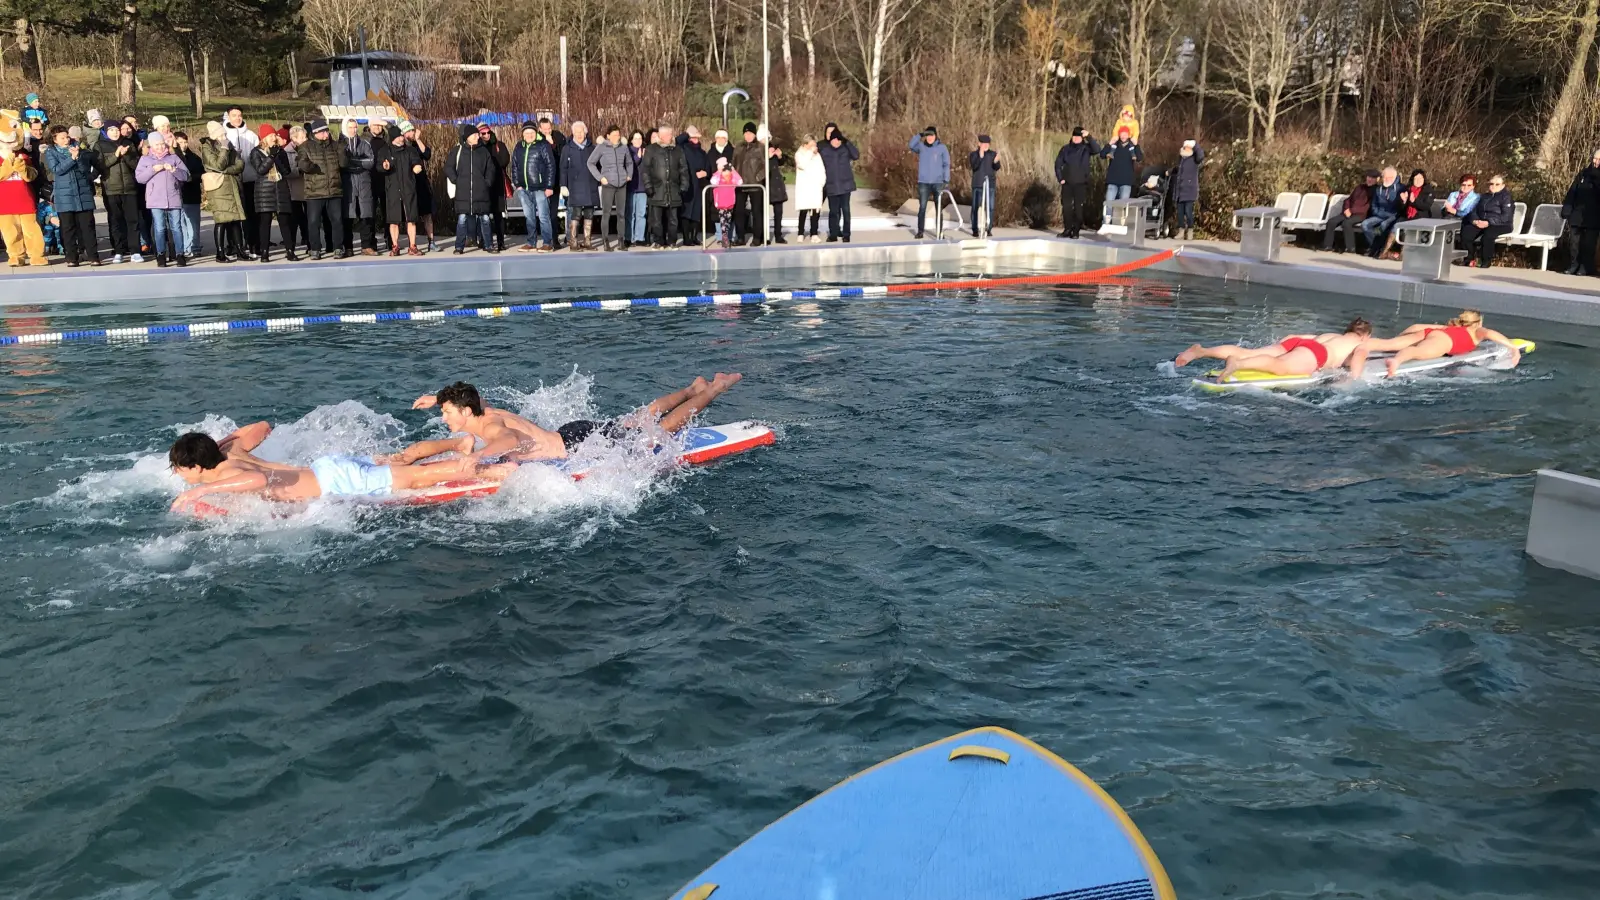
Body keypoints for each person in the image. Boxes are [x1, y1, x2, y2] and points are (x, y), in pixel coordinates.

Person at [400, 374, 745, 467]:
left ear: (463, 412)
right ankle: (692, 388)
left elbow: (505, 440)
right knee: (637, 421)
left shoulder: (489, 426)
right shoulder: (480, 409)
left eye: (445, 411)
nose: (442, 417)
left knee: (659, 431)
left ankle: (715, 389)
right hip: (571, 433)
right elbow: (473, 396)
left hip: (576, 445)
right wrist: (438, 398)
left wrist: (476, 457)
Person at [167, 427, 484, 513]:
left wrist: (203, 489)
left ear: (195, 467)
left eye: (179, 469)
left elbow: (256, 479)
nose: (176, 473)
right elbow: (263, 427)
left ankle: (484, 470)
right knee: (402, 459)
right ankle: (459, 443)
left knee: (416, 478)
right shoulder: (229, 451)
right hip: (328, 465)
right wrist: (216, 442)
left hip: (337, 481)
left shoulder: (224, 474)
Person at [1174, 318, 1375, 379]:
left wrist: (1285, 345)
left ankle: (1201, 351)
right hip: (1316, 353)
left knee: (1249, 351)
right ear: (1365, 336)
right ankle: (1238, 364)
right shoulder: (1360, 344)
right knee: (1280, 367)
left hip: (1300, 343)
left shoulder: (1332, 335)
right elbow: (1359, 357)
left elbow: (1293, 338)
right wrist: (1353, 379)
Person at [1344, 310, 1519, 378]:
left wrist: (1400, 338)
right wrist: (1512, 347)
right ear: (1477, 323)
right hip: (1446, 342)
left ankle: (1350, 345)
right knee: (1415, 352)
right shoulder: (1476, 332)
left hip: (1431, 333)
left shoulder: (1449, 327)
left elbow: (1416, 327)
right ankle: (1396, 362)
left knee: (1388, 343)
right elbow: (1490, 333)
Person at [43, 124, 103, 266]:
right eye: (62, 138)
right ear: (55, 140)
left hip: (82, 193)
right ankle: (71, 258)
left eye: (67, 136)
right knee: (68, 228)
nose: (66, 140)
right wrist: (72, 158)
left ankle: (93, 256)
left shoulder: (79, 148)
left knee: (87, 227)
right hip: (64, 195)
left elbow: (85, 170)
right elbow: (57, 169)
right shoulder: (51, 152)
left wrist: (78, 157)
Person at [134, 131, 191, 267]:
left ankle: (180, 254)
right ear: (151, 146)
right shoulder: (145, 159)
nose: (159, 147)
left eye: (161, 144)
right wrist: (153, 169)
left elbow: (186, 176)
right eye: (156, 145)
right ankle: (160, 255)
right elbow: (139, 178)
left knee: (176, 227)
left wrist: (173, 170)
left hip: (174, 197)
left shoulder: (173, 158)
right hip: (155, 199)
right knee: (159, 228)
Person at [296, 119, 347, 259]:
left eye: (327, 131)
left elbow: (343, 164)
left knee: (337, 221)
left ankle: (338, 247)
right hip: (315, 192)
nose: (327, 134)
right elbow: (301, 163)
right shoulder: (305, 146)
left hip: (334, 190)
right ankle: (315, 249)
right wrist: (309, 167)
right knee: (313, 222)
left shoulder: (335, 146)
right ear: (316, 133)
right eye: (324, 132)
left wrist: (342, 151)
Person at [201, 120, 249, 262]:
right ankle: (220, 253)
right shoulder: (207, 147)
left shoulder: (228, 144)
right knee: (221, 220)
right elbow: (217, 165)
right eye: (221, 135)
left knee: (235, 220)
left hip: (232, 185)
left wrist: (228, 170)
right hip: (218, 188)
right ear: (214, 135)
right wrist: (224, 149)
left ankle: (240, 250)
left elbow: (239, 164)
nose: (224, 137)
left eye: (224, 134)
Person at [0, 120, 47, 266]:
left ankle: (36, 255)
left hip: (25, 198)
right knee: (11, 232)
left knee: (32, 230)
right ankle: (15, 255)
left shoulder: (23, 156)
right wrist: (8, 165)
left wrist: (22, 168)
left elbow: (31, 176)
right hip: (5, 201)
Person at [445, 123, 496, 254]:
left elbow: (490, 169)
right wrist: (456, 180)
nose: (477, 137)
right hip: (463, 192)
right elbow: (448, 167)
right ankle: (459, 247)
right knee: (462, 219)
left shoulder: (483, 151)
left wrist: (487, 182)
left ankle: (488, 245)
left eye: (477, 134)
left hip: (481, 191)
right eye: (474, 135)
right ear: (467, 137)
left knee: (485, 219)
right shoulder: (458, 151)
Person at [248, 124, 295, 262]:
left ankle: (290, 250)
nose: (274, 138)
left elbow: (286, 171)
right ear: (264, 138)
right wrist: (271, 156)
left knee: (284, 221)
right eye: (271, 136)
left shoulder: (281, 151)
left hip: (280, 189)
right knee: (265, 222)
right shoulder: (256, 152)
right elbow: (261, 170)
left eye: (275, 135)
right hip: (264, 190)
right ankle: (264, 252)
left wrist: (277, 155)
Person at [376, 125, 426, 255]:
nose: (402, 138)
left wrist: (417, 166)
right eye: (399, 136)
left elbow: (417, 161)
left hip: (408, 188)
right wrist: (384, 166)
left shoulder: (410, 150)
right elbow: (379, 166)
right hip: (393, 189)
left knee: (411, 218)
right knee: (394, 220)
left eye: (402, 135)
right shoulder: (385, 151)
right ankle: (395, 246)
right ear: (393, 138)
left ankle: (413, 246)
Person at [510, 120, 557, 252]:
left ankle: (547, 243)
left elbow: (550, 166)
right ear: (523, 134)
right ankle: (531, 242)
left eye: (531, 132)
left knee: (543, 216)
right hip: (524, 188)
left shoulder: (543, 145)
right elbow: (514, 166)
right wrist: (517, 184)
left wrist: (549, 186)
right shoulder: (519, 146)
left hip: (540, 188)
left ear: (535, 133)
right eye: (527, 133)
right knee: (529, 217)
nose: (529, 135)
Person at [587, 124, 634, 251]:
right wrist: (600, 177)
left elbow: (629, 162)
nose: (616, 138)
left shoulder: (623, 148)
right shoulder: (601, 148)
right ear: (608, 136)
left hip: (622, 184)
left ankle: (621, 241)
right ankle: (605, 241)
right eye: (614, 135)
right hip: (608, 184)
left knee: (621, 214)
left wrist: (629, 175)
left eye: (618, 135)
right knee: (606, 214)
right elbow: (590, 163)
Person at [642, 123, 689, 248]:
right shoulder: (651, 149)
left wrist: (684, 187)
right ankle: (659, 241)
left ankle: (672, 241)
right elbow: (646, 170)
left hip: (674, 190)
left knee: (673, 220)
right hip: (657, 190)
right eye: (668, 135)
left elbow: (683, 169)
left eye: (671, 134)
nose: (671, 137)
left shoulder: (677, 150)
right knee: (656, 220)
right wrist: (648, 186)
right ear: (661, 136)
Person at [223, 106, 261, 255]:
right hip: (231, 180)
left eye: (239, 115)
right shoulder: (224, 135)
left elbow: (258, 154)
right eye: (234, 115)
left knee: (251, 214)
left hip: (250, 179)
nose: (237, 118)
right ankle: (233, 244)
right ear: (228, 116)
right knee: (232, 215)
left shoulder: (251, 135)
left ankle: (252, 243)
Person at [339, 118, 378, 256]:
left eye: (355, 127)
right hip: (348, 183)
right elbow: (342, 164)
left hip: (363, 183)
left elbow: (370, 162)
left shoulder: (364, 144)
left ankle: (366, 245)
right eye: (350, 127)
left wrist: (354, 162)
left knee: (365, 215)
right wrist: (358, 163)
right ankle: (348, 247)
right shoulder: (341, 144)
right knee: (347, 217)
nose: (353, 130)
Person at [560, 121, 600, 251]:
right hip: (575, 186)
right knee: (576, 214)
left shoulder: (592, 148)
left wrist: (599, 181)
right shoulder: (567, 148)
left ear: (585, 132)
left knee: (589, 214)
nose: (579, 134)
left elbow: (598, 166)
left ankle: (587, 241)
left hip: (590, 185)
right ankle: (573, 241)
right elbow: (563, 168)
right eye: (576, 132)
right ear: (573, 133)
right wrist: (563, 185)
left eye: (581, 132)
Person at [1053, 127, 1099, 239]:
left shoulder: (1086, 149)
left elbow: (1097, 149)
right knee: (1066, 207)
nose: (1076, 139)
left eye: (1078, 137)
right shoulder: (1065, 149)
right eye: (1074, 136)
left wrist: (1089, 136)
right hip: (1067, 183)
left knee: (1078, 208)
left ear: (1081, 138)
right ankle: (1067, 229)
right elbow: (1058, 164)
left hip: (1081, 183)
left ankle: (1076, 231)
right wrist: (1060, 178)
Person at [1378, 169, 1433, 259]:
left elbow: (1426, 206)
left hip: (1421, 217)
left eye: (1420, 178)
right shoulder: (1408, 189)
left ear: (1424, 179)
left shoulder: (1428, 190)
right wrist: (1403, 201)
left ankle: (1403, 254)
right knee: (1396, 227)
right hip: (1407, 216)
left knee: (1408, 229)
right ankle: (1385, 251)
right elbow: (1402, 209)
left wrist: (1414, 201)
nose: (1418, 181)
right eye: (1416, 179)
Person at [1461, 175, 1513, 268]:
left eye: (1497, 184)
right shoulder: (1483, 197)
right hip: (1481, 222)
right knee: (1466, 233)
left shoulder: (1506, 198)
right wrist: (1475, 221)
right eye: (1491, 184)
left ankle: (1486, 261)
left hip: (1500, 224)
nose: (1494, 186)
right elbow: (1474, 210)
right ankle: (1469, 259)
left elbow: (1506, 216)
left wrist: (1489, 222)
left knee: (1488, 236)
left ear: (1503, 186)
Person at [908, 125, 950, 239]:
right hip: (924, 182)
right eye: (927, 136)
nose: (929, 138)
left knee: (938, 208)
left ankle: (939, 232)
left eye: (931, 135)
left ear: (935, 136)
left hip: (938, 182)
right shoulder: (921, 147)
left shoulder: (942, 148)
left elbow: (946, 164)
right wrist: (919, 135)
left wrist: (946, 179)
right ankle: (920, 231)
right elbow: (911, 145)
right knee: (922, 208)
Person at [1561, 151, 1600, 276]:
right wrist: (1567, 209)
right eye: (1594, 158)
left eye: (1599, 159)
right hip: (1577, 215)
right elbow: (1572, 191)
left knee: (1588, 243)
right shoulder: (1583, 173)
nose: (1595, 161)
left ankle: (1585, 266)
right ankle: (1574, 264)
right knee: (1574, 242)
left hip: (1594, 215)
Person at [1321, 169, 1378, 253]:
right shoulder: (1359, 187)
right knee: (1331, 222)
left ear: (1376, 179)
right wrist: (1346, 209)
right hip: (1348, 212)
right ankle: (1327, 245)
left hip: (1361, 214)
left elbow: (1368, 206)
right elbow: (1348, 200)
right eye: (1369, 177)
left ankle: (1351, 248)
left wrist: (1351, 210)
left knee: (1347, 223)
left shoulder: (1376, 190)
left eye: (1372, 178)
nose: (1370, 179)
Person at [819, 129, 858, 243]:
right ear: (830, 140)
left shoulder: (845, 149)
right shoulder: (825, 151)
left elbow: (856, 155)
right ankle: (833, 234)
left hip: (845, 186)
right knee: (833, 212)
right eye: (834, 139)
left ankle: (846, 234)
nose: (837, 142)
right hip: (831, 186)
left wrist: (847, 142)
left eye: (839, 140)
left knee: (846, 210)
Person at [732, 122, 767, 246]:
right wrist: (734, 177)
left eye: (750, 133)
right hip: (740, 184)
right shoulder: (738, 147)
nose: (748, 135)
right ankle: (740, 237)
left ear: (754, 134)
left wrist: (759, 177)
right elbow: (734, 164)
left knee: (757, 212)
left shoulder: (760, 147)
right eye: (746, 133)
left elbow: (765, 166)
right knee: (739, 212)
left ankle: (757, 237)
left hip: (755, 185)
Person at [171, 132, 205, 258]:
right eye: (180, 142)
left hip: (192, 194)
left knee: (193, 224)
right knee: (181, 224)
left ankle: (195, 246)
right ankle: (185, 247)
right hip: (177, 195)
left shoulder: (194, 158)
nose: (183, 145)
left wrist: (190, 178)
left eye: (185, 142)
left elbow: (201, 174)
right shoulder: (172, 157)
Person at [404, 122, 437, 252]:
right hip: (409, 184)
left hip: (422, 183)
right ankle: (412, 243)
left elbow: (427, 154)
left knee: (427, 213)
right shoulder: (402, 147)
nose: (413, 133)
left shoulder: (416, 145)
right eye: (411, 131)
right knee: (411, 216)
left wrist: (418, 139)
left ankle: (432, 241)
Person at [1098, 127, 1142, 224]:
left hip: (1126, 181)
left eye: (1125, 134)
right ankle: (1106, 223)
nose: (1123, 136)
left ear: (1129, 135)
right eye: (1121, 133)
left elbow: (1139, 158)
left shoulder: (1132, 148)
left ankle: (1120, 224)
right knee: (1109, 203)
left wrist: (1136, 145)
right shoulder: (1114, 146)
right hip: (1112, 180)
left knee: (1123, 205)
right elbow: (1102, 155)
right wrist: (1109, 144)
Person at [678, 125, 711, 244]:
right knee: (687, 212)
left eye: (697, 137)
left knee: (697, 212)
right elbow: (677, 141)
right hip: (688, 184)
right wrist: (687, 133)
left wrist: (705, 172)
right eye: (693, 137)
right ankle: (687, 238)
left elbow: (708, 167)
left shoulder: (702, 152)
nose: (696, 139)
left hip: (699, 185)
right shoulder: (684, 148)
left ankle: (694, 237)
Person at [480, 123, 510, 252]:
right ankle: (485, 240)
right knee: (483, 215)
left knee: (498, 215)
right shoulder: (478, 148)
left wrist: (493, 164)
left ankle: (500, 241)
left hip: (497, 184)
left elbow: (505, 160)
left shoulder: (499, 145)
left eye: (488, 133)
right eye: (483, 133)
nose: (486, 135)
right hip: (483, 185)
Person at [1361, 166, 1402, 258]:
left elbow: (1401, 207)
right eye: (1384, 177)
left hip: (1393, 216)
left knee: (1381, 227)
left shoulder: (1400, 188)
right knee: (1365, 224)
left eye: (1389, 177)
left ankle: (1379, 249)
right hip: (1380, 215)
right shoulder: (1378, 189)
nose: (1386, 179)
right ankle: (1375, 247)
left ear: (1394, 178)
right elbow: (1374, 205)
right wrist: (1378, 213)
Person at [280, 125, 307, 258]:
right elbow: (287, 171)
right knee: (294, 218)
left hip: (307, 188)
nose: (305, 139)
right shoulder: (287, 151)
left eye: (305, 136)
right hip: (293, 189)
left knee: (307, 218)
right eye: (302, 137)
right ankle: (291, 246)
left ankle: (308, 241)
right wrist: (301, 170)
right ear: (294, 138)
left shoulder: (308, 148)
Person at [1169, 139, 1203, 241]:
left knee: (1188, 212)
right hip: (1180, 190)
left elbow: (1200, 156)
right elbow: (1178, 169)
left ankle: (1190, 231)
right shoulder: (1181, 158)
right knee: (1180, 213)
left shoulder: (1195, 159)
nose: (1187, 148)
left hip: (1189, 189)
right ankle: (1181, 231)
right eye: (1185, 146)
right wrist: (1170, 171)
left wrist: (1195, 145)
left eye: (1189, 146)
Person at [794, 134, 825, 243]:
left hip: (815, 187)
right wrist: (810, 152)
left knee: (815, 211)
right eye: (812, 145)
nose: (814, 147)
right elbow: (802, 164)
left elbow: (822, 169)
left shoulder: (817, 156)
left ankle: (814, 233)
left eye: (815, 145)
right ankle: (801, 232)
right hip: (804, 188)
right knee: (803, 210)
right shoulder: (799, 154)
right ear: (805, 144)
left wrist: (822, 182)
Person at [365, 118, 390, 248]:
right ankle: (371, 241)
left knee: (388, 212)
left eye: (380, 125)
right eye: (375, 125)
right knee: (371, 213)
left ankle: (390, 239)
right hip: (370, 180)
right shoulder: (365, 140)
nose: (378, 127)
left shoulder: (387, 140)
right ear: (370, 126)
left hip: (386, 180)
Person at [969, 135, 999, 238]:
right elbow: (974, 166)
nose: (986, 146)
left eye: (987, 144)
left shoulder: (992, 154)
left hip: (990, 185)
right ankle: (975, 229)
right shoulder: (974, 155)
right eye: (983, 144)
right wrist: (980, 157)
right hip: (978, 185)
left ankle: (988, 228)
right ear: (979, 144)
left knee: (990, 208)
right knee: (975, 208)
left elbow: (996, 167)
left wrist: (996, 162)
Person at [709, 157, 742, 249]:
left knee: (728, 220)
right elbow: (713, 181)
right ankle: (724, 236)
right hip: (720, 203)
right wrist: (719, 172)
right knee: (722, 220)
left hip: (730, 202)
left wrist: (733, 171)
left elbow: (740, 182)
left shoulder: (731, 177)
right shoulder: (717, 176)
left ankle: (726, 235)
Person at [627, 129, 649, 248]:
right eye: (635, 138)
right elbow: (630, 165)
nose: (638, 141)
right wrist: (638, 157)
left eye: (640, 138)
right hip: (631, 187)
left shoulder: (646, 151)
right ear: (631, 140)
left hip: (642, 187)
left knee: (641, 213)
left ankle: (640, 237)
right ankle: (629, 237)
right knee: (631, 214)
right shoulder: (628, 151)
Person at [767, 144, 788, 244]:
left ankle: (778, 235)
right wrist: (766, 158)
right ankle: (764, 235)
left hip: (776, 185)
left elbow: (783, 161)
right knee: (762, 213)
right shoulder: (758, 149)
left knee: (778, 213)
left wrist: (779, 156)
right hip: (765, 185)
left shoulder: (773, 150)